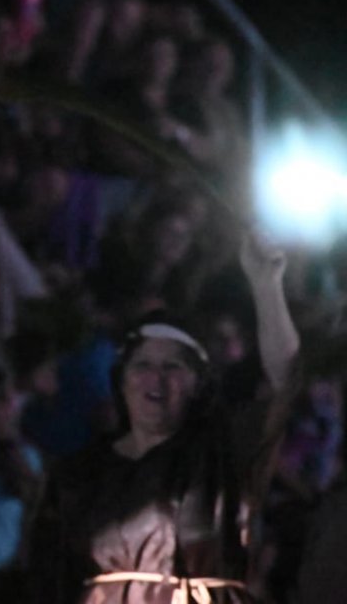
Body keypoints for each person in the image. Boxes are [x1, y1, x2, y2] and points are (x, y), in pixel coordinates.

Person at [29, 230, 301, 604]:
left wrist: (266, 283)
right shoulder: (79, 473)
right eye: (143, 365)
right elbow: (47, 577)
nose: (156, 378)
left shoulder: (223, 454)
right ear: (122, 381)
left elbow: (286, 381)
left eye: (173, 366)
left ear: (198, 382)